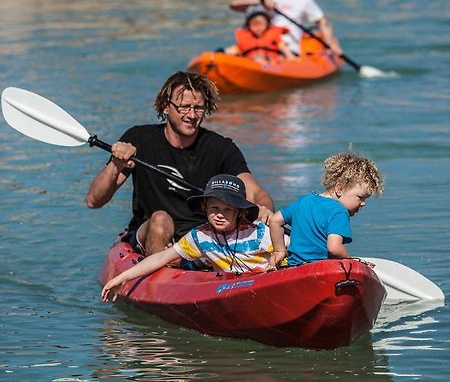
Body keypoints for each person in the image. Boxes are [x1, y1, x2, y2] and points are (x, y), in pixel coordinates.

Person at [86, 71, 274, 257]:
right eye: (184, 107)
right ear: (166, 106)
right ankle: (158, 274)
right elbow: (94, 201)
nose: (192, 115)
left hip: (201, 238)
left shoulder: (221, 147)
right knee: (161, 220)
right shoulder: (139, 139)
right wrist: (116, 165)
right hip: (150, 232)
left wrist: (265, 210)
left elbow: (256, 193)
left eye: (198, 108)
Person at [101, 174, 276, 301]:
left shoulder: (260, 233)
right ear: (204, 207)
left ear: (240, 212)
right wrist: (123, 277)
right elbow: (161, 257)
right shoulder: (200, 236)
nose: (219, 215)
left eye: (228, 210)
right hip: (236, 288)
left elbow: (292, 251)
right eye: (214, 208)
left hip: (267, 282)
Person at [269, 153, 384, 268]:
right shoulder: (339, 212)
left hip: (294, 269)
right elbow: (334, 248)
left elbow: (274, 220)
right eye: (360, 197)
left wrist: (279, 251)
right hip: (321, 270)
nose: (363, 203)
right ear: (339, 189)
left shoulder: (304, 201)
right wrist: (353, 261)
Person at [224, 5, 296, 63]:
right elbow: (233, 50)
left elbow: (284, 49)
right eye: (254, 25)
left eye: (261, 24)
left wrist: (291, 59)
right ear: (248, 26)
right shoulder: (245, 37)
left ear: (267, 24)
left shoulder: (274, 36)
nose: (258, 28)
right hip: (252, 64)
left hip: (273, 63)